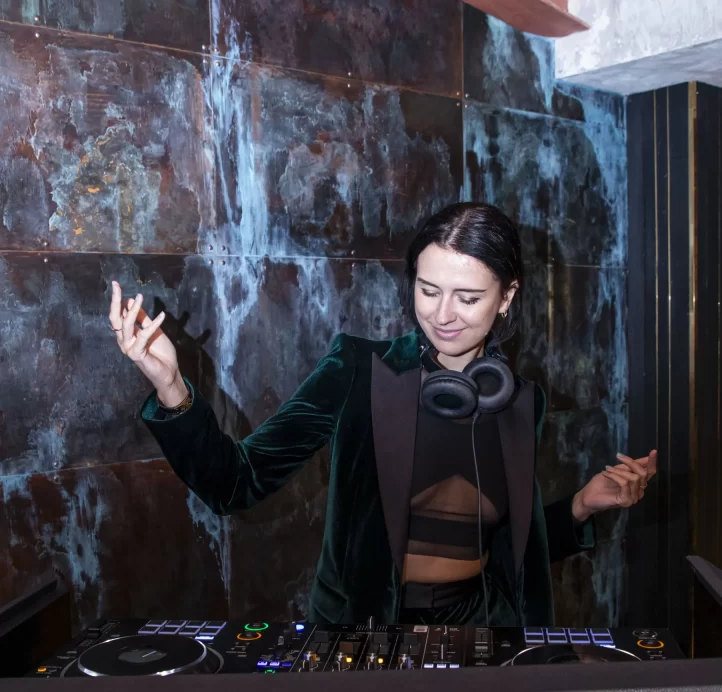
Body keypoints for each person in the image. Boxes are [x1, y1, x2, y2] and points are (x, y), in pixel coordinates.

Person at [109, 202, 656, 626]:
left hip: (483, 637)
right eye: (427, 289)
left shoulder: (519, 400)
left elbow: (510, 555)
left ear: (507, 297)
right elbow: (233, 484)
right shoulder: (356, 370)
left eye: (467, 298)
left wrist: (583, 506)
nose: (442, 315)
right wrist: (172, 386)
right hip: (367, 638)